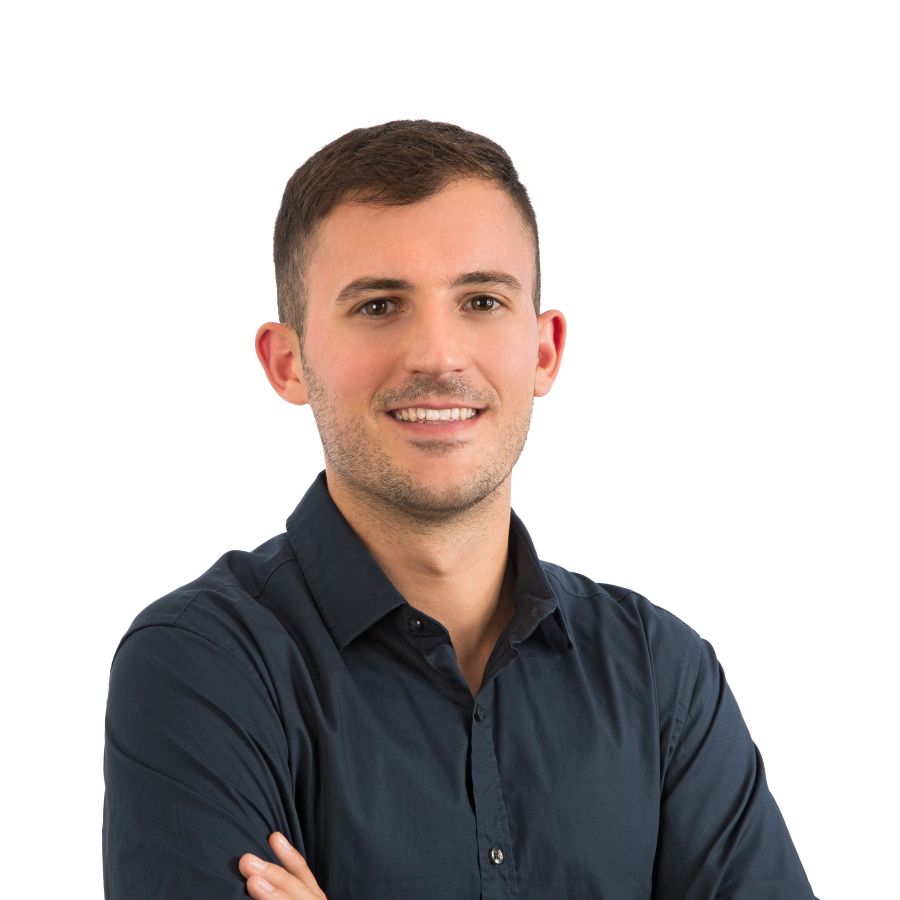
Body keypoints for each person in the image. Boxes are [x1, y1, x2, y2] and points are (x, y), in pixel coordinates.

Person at [102, 120, 818, 899]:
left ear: (543, 351)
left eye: (480, 300)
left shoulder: (660, 675)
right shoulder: (202, 667)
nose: (438, 356)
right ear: (288, 361)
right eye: (379, 305)